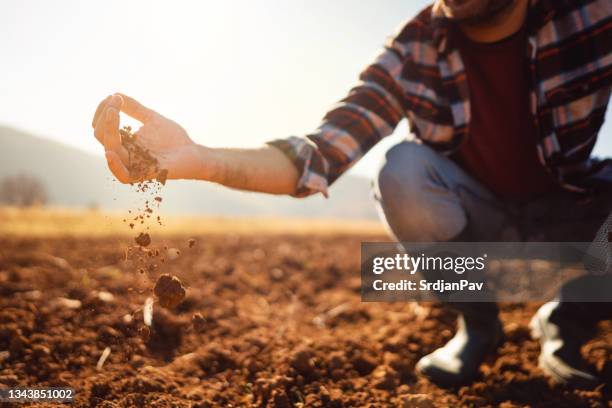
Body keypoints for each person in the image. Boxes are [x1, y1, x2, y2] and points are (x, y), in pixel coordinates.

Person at [92, 0, 612, 387]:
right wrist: (203, 157)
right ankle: (477, 327)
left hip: (571, 208)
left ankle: (568, 322)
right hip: (477, 220)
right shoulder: (413, 48)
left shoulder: (589, 15)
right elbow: (323, 152)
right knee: (403, 171)